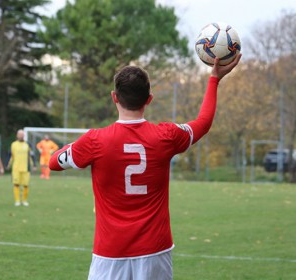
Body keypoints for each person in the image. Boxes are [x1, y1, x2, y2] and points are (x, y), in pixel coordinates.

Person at [49, 55, 242, 280]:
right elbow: (203, 122)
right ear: (149, 99)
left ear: (114, 97)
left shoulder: (95, 141)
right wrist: (214, 79)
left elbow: (54, 163)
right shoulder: (165, 136)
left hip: (109, 253)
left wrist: (76, 148)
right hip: (155, 250)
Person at [7, 129, 36, 207]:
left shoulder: (28, 144)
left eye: (22, 134)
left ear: (24, 135)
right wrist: (7, 164)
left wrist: (34, 165)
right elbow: (10, 155)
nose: (21, 136)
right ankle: (17, 201)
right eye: (19, 134)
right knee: (16, 184)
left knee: (26, 185)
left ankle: (24, 200)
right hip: (16, 168)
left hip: (26, 168)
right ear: (17, 135)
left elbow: (32, 155)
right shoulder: (13, 144)